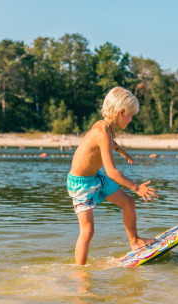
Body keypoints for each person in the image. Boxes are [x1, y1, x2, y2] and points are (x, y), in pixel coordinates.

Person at [67, 86, 159, 265]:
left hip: (96, 178)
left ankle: (135, 241)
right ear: (121, 111)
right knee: (87, 231)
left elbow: (111, 143)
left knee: (128, 203)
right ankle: (79, 272)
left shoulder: (105, 126)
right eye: (131, 115)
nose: (131, 119)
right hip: (80, 184)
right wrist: (137, 187)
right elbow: (111, 172)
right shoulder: (102, 132)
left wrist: (123, 152)